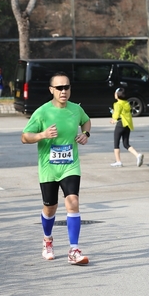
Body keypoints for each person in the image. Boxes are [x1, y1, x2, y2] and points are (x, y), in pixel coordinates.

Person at [21, 71, 91, 265]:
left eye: (66, 87)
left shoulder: (76, 109)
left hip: (70, 166)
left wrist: (85, 134)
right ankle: (47, 240)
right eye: (59, 88)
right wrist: (42, 135)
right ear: (51, 90)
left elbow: (86, 121)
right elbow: (24, 137)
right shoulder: (42, 112)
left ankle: (74, 250)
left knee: (73, 201)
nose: (63, 91)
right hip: (49, 168)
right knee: (50, 207)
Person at [110, 87, 144, 167]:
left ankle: (118, 161)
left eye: (115, 93)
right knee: (126, 144)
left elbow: (116, 115)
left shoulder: (117, 104)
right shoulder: (127, 103)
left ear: (117, 95)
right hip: (127, 125)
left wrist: (113, 119)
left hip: (120, 124)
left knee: (116, 144)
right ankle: (137, 155)